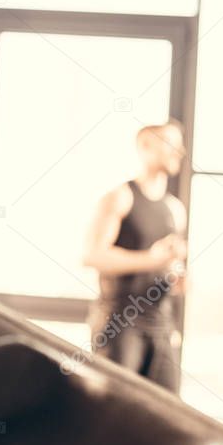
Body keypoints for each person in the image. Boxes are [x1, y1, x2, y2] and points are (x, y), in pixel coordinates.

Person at [82, 120, 188, 392]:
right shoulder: (120, 198)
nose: (179, 152)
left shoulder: (175, 209)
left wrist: (176, 277)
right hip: (120, 324)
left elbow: (168, 265)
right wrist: (152, 260)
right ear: (146, 146)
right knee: (116, 413)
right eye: (170, 145)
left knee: (166, 418)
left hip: (161, 326)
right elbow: (93, 255)